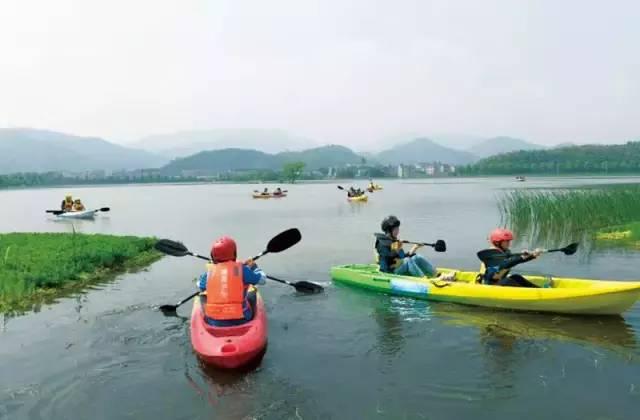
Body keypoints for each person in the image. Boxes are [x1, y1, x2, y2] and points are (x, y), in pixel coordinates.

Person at [196, 236, 267, 326]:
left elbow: (200, 286)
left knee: (202, 296)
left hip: (214, 321)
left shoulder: (209, 272)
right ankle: (254, 319)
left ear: (213, 255)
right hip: (241, 319)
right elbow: (263, 280)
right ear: (234, 253)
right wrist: (254, 267)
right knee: (252, 294)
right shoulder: (242, 269)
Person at [476, 228, 542, 288]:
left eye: (509, 241)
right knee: (506, 281)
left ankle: (540, 289)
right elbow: (505, 264)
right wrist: (521, 257)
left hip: (498, 283)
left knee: (516, 277)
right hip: (488, 285)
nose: (509, 243)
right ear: (497, 242)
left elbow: (515, 260)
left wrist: (533, 255)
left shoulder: (504, 252)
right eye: (506, 241)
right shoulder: (491, 255)